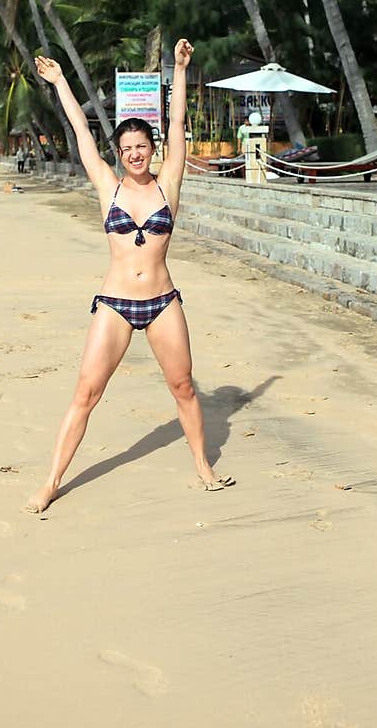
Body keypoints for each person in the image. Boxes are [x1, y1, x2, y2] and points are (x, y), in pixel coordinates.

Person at [28, 38, 234, 513]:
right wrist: (60, 81)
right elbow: (81, 134)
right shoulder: (108, 186)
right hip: (115, 304)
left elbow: (179, 125)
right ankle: (52, 481)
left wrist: (181, 70)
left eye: (142, 147)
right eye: (127, 148)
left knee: (183, 386)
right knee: (86, 392)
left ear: (151, 149)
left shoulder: (169, 183)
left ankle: (203, 466)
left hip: (162, 303)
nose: (135, 154)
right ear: (119, 153)